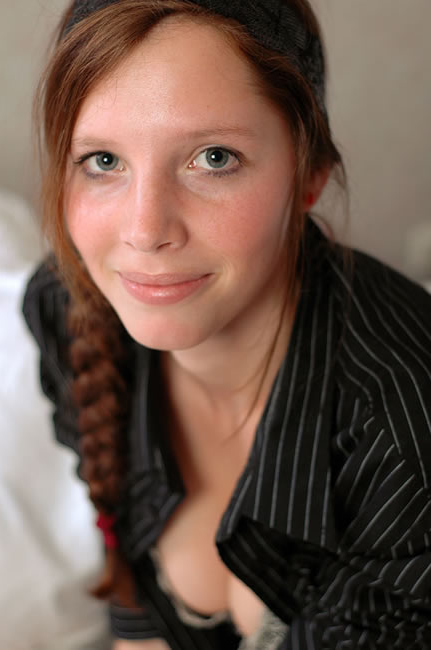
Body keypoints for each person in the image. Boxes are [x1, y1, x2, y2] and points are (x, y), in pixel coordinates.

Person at [22, 0, 431, 648]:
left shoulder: (407, 420)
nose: (145, 230)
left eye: (213, 158)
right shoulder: (65, 308)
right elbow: (137, 614)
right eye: (102, 161)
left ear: (309, 175)